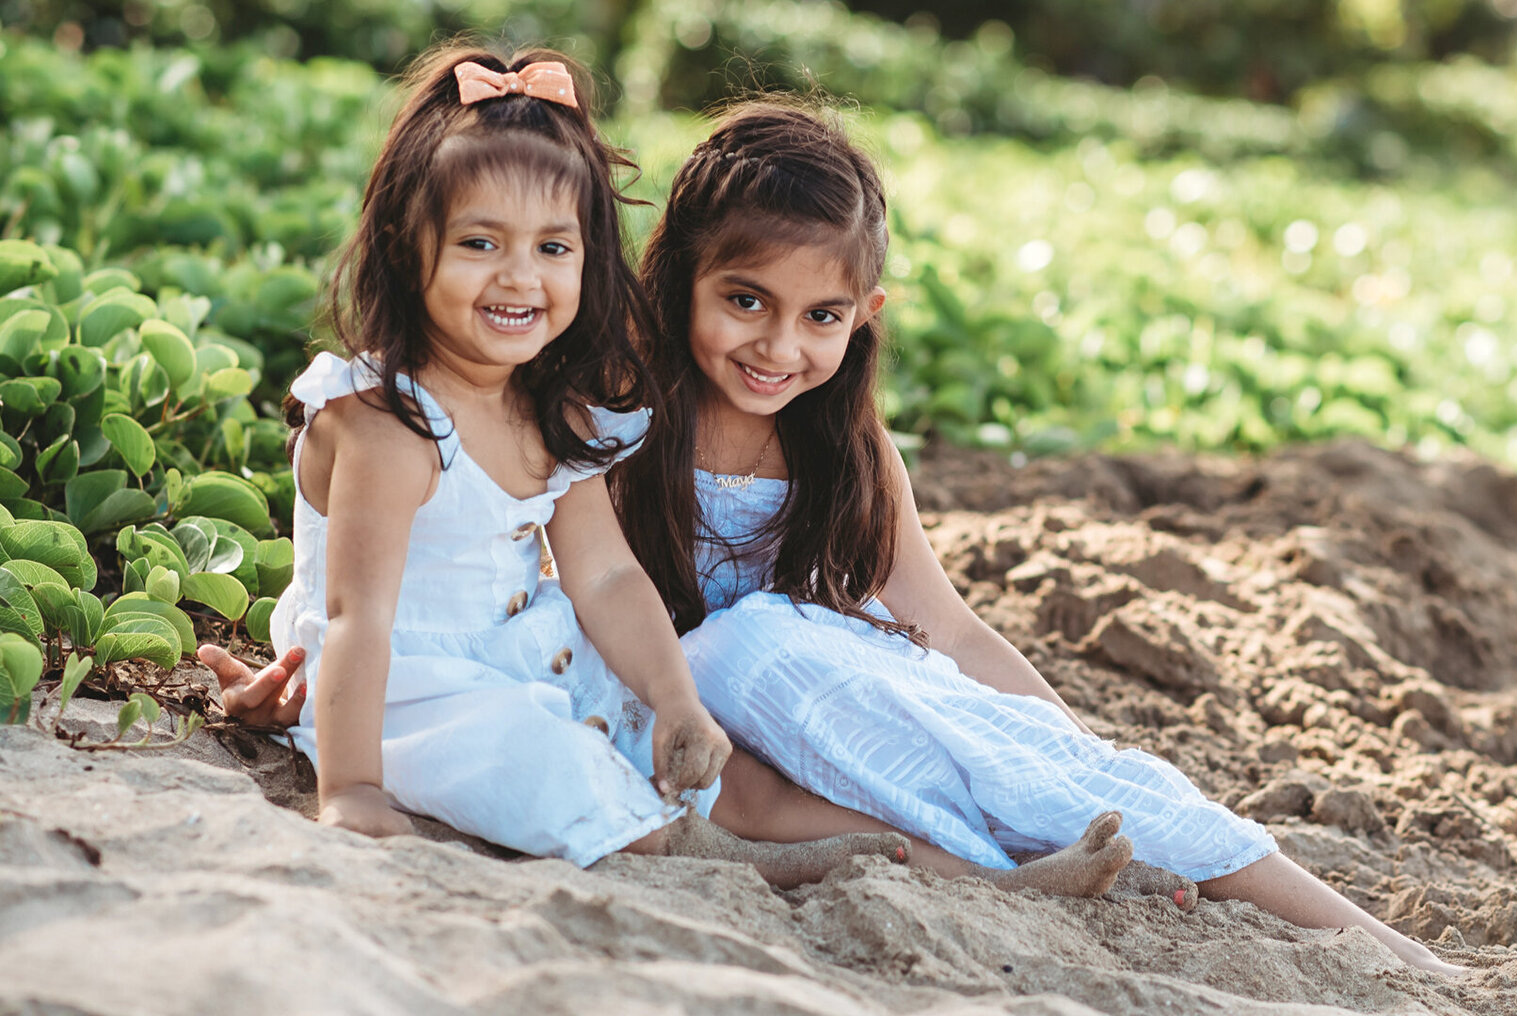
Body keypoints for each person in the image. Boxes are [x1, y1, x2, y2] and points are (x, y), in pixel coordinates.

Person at [209, 43, 1135, 897]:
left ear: (591, 259)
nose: (519, 278)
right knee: (558, 768)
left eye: (553, 249)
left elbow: (607, 575)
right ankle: (724, 858)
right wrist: (352, 788)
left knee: (732, 778)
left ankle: (981, 878)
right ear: (409, 249)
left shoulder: (553, 414)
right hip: (420, 692)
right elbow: (356, 619)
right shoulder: (386, 423)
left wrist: (674, 699)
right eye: (479, 243)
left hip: (536, 654)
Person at [601, 99, 1462, 974]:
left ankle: (1401, 955)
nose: (779, 346)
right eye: (745, 301)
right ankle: (992, 875)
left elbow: (952, 628)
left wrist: (1067, 750)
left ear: (864, 313)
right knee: (742, 654)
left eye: (821, 316)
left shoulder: (843, 446)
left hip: (831, 707)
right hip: (691, 731)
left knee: (1048, 766)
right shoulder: (624, 420)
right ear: (680, 279)